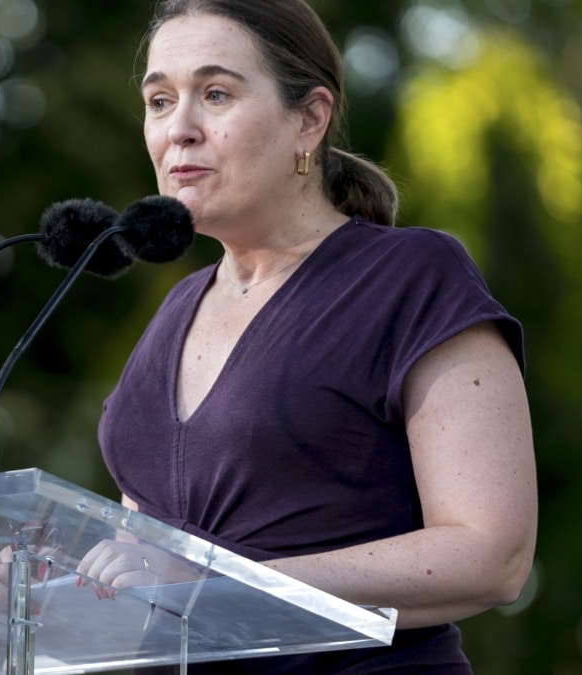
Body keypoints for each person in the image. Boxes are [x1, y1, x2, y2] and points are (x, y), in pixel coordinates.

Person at [76, 0, 538, 671]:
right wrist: (46, 582)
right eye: (159, 99)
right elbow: (150, 572)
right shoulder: (173, 312)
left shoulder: (409, 278)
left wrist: (217, 581)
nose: (179, 129)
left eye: (215, 94)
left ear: (310, 120)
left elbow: (490, 556)